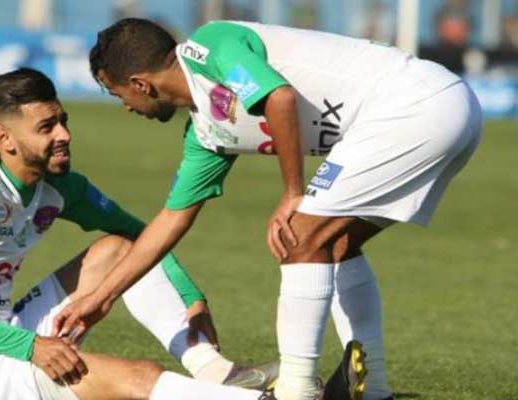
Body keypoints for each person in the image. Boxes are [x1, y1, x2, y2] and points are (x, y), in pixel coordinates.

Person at [53, 18, 483, 400]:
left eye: (119, 94)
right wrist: (102, 297)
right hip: (443, 111)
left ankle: (296, 389)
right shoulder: (206, 132)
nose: (127, 107)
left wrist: (293, 192)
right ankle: (375, 389)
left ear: (141, 83)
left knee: (299, 238)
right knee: (336, 245)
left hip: (414, 105)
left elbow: (279, 97)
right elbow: (171, 220)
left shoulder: (211, 45)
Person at [0, 67, 298, 400]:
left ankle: (213, 370)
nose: (64, 135)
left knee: (119, 249)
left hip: (7, 327)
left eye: (62, 120)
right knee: (138, 377)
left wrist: (192, 297)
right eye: (46, 128)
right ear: (4, 139)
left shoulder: (59, 185)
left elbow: (142, 237)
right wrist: (33, 348)